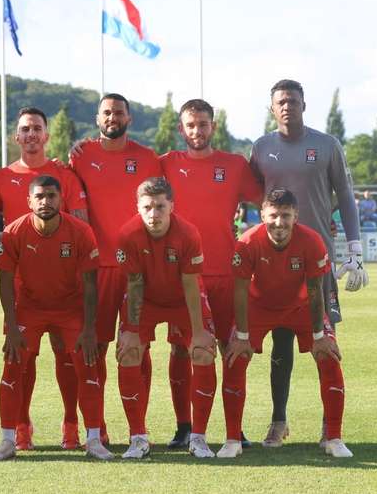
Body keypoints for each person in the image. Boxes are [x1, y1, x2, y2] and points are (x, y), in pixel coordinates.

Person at [248, 79, 366, 448]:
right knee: (281, 343)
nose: (288, 107)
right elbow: (254, 198)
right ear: (272, 108)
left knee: (324, 341)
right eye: (281, 102)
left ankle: (330, 428)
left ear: (304, 105)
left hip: (318, 261)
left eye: (294, 101)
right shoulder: (261, 148)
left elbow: (344, 194)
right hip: (276, 263)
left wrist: (355, 247)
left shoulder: (327, 145)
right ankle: (278, 421)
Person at [0, 107, 89, 450]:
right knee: (23, 360)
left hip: (66, 287)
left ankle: (71, 424)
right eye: (25, 129)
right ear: (17, 137)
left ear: (47, 135)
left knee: (68, 358)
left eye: (38, 128)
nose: (32, 134)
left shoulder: (64, 175)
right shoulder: (1, 177)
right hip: (22, 289)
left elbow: (83, 224)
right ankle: (21, 426)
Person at [160, 98, 262, 456]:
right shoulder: (167, 164)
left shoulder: (234, 165)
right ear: (181, 129)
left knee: (232, 348)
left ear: (213, 127)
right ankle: (184, 426)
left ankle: (235, 429)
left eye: (203, 124)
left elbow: (267, 202)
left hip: (227, 272)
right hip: (184, 275)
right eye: (190, 125)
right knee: (181, 348)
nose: (197, 131)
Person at [0, 175, 111, 461]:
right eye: (40, 197)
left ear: (61, 200)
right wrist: (11, 326)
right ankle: (8, 440)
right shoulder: (13, 232)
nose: (46, 202)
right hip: (29, 308)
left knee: (87, 365)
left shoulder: (81, 232)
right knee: (13, 364)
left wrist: (90, 329)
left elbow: (91, 284)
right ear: (29, 201)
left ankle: (93, 439)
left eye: (52, 196)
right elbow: (5, 282)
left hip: (70, 308)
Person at [228, 188, 352, 458]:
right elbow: (239, 290)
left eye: (286, 215)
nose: (279, 222)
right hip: (259, 307)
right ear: (263, 215)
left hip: (301, 307)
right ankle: (232, 439)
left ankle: (333, 436)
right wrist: (242, 334)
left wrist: (320, 335)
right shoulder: (248, 243)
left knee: (329, 355)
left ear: (296, 216)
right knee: (235, 355)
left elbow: (316, 289)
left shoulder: (312, 241)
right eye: (273, 215)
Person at [69, 93, 162, 448]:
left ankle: (138, 429)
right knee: (95, 348)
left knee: (138, 349)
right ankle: (98, 427)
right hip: (97, 268)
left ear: (129, 118)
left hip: (138, 269)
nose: (113, 117)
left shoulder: (147, 158)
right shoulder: (81, 156)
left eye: (119, 112)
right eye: (106, 112)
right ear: (97, 118)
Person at [115, 177, 218, 459]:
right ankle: (138, 438)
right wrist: (133, 330)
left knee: (202, 352)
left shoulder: (188, 234)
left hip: (183, 300)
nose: (154, 214)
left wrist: (198, 331)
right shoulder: (128, 234)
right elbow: (134, 284)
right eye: (147, 207)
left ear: (172, 205)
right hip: (146, 300)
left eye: (160, 206)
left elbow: (190, 284)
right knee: (128, 352)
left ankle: (198, 438)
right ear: (137, 207)